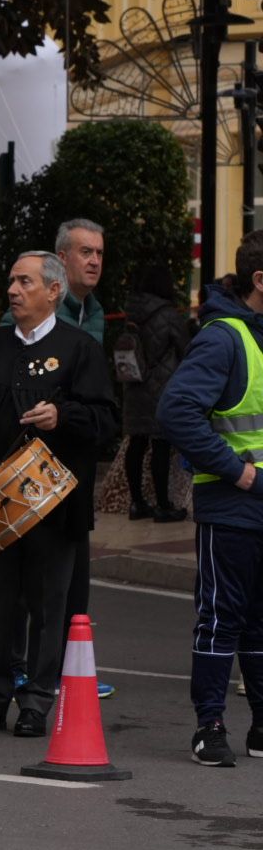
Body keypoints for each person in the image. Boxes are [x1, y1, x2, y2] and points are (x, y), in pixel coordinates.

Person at [0, 251, 117, 738]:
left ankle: (38, 701)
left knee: (48, 604)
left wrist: (63, 417)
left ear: (52, 290)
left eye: (25, 282)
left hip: (53, 503)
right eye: (12, 281)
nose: (14, 290)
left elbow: (106, 420)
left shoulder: (79, 349)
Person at [156, 230, 263, 767]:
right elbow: (176, 412)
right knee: (222, 617)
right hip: (233, 507)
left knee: (260, 621)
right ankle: (210, 728)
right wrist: (235, 473)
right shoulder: (225, 338)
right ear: (260, 280)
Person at [122, 264, 189, 523]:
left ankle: (137, 502)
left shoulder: (131, 310)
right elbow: (186, 350)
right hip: (162, 387)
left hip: (134, 384)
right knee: (160, 445)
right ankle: (163, 505)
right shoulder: (169, 314)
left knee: (136, 443)